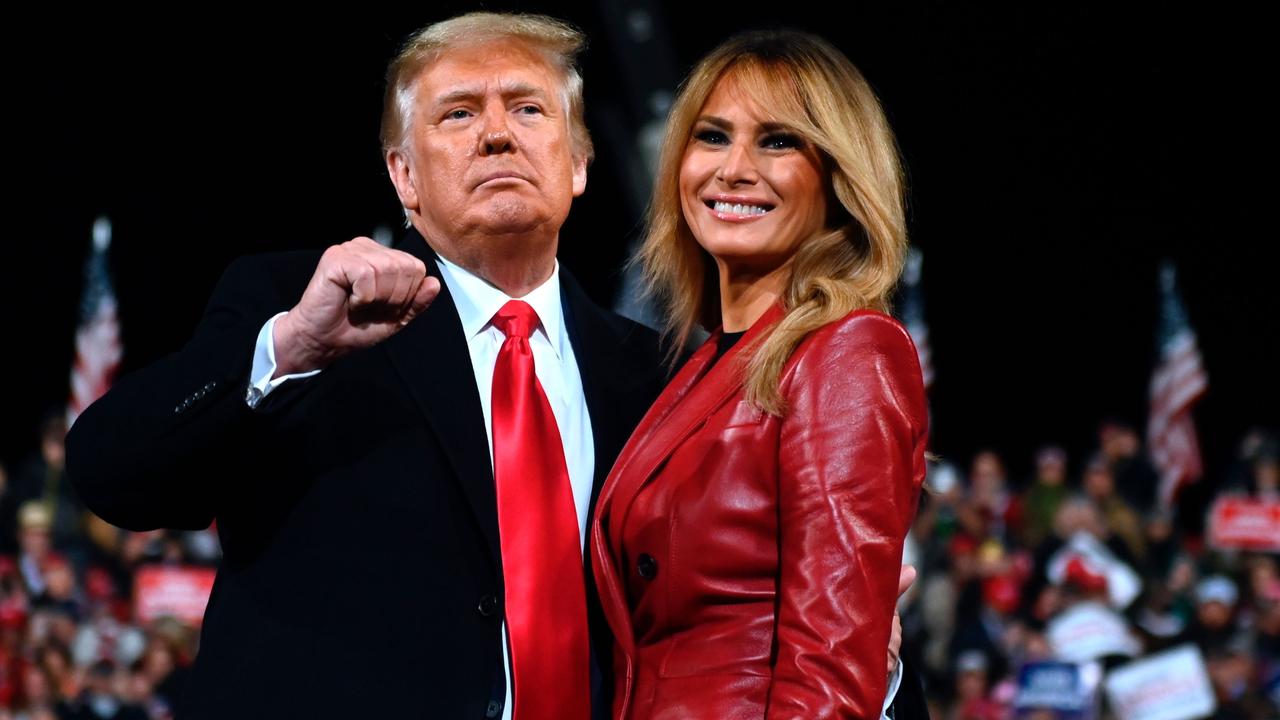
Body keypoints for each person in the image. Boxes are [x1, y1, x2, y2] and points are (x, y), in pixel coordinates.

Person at [67, 13, 915, 720]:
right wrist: (286, 351)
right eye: (458, 114)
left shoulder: (655, 379)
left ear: (580, 165)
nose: (499, 132)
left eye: (529, 109)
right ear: (404, 176)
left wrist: (885, 676)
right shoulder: (300, 310)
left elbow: (759, 628)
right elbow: (112, 475)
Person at [590, 30, 928, 719]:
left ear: (837, 175)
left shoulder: (847, 353)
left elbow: (829, 675)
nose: (734, 168)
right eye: (712, 136)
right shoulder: (699, 367)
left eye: (778, 141)